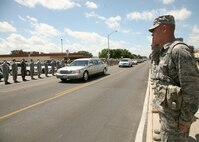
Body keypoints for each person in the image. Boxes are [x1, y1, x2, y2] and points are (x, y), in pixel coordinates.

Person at [149, 15, 199, 141]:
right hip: (167, 117)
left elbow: (192, 90)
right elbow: (154, 62)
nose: (152, 34)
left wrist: (185, 120)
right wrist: (154, 45)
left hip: (176, 123)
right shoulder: (164, 51)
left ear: (164, 28)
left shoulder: (179, 51)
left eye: (154, 30)